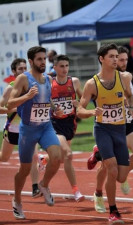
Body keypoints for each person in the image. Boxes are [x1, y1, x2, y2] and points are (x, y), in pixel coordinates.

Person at [77, 43, 133, 224]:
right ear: (101, 59)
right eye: (111, 56)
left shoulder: (124, 78)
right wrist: (90, 112)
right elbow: (80, 109)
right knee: (112, 170)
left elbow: (129, 95)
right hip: (102, 129)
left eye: (116, 56)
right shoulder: (92, 84)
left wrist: (131, 107)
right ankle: (113, 211)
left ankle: (97, 153)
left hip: (120, 130)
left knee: (121, 176)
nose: (114, 59)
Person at [7, 46, 62, 219]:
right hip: (28, 130)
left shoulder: (47, 78)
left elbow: (47, 99)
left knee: (57, 156)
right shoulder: (23, 79)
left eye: (44, 58)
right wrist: (26, 97)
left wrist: (55, 109)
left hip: (45, 126)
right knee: (24, 170)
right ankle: (17, 200)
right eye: (39, 59)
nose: (43, 62)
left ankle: (44, 184)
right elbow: (9, 104)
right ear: (31, 61)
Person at [0, 58, 41, 198]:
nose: (23, 71)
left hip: (28, 128)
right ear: (14, 72)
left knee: (34, 156)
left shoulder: (31, 86)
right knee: (4, 157)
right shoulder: (11, 88)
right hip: (12, 129)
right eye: (20, 69)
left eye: (25, 68)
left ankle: (35, 187)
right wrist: (17, 108)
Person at [50, 54, 85, 202]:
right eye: (61, 66)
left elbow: (84, 99)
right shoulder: (49, 83)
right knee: (68, 155)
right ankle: (76, 190)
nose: (65, 69)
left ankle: (44, 160)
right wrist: (52, 108)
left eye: (67, 66)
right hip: (54, 124)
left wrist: (79, 104)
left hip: (70, 123)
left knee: (63, 158)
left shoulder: (74, 82)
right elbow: (44, 102)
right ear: (55, 67)